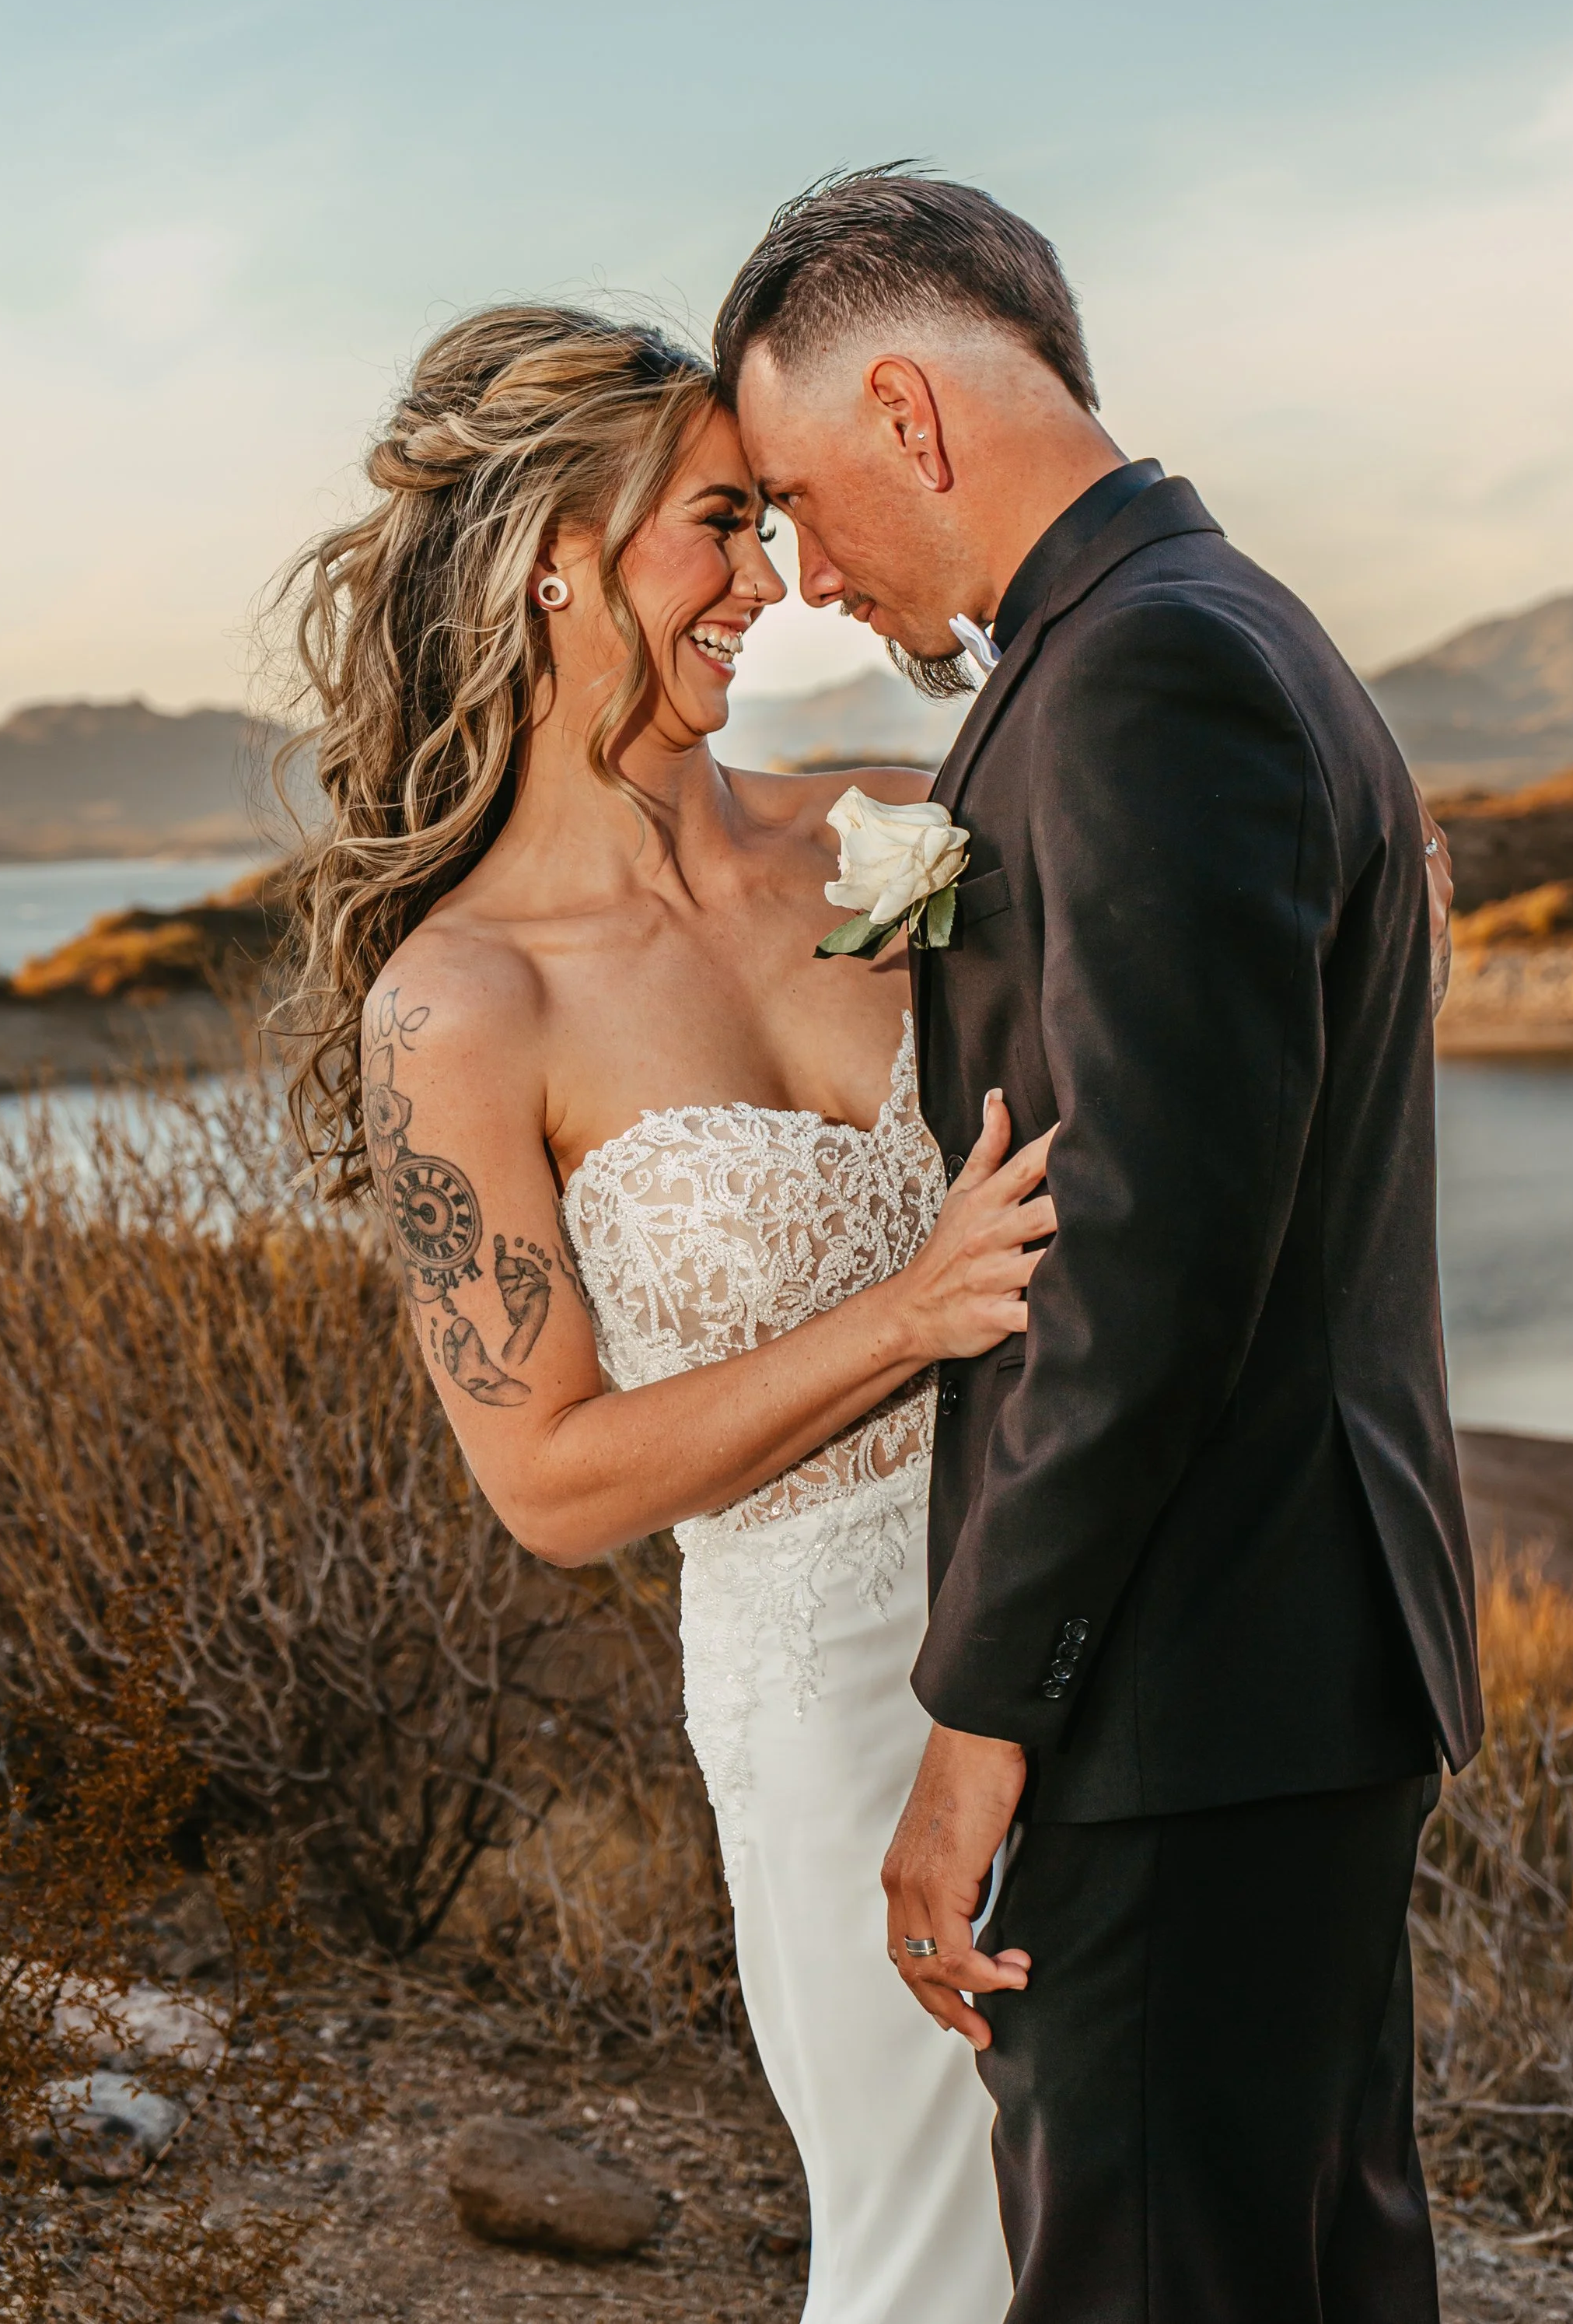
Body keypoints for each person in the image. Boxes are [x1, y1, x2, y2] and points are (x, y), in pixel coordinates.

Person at [718, 166, 1483, 2323]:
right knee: (1304, 2269)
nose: (801, 575)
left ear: (909, 411)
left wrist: (982, 1724)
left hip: (1188, 1683)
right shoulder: (1195, 628)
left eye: (799, 500)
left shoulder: (1149, 672)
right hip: (1272, 1672)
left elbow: (1146, 1264)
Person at [275, 303, 1022, 2324]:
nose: (768, 582)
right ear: (556, 556)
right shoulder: (461, 1006)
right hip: (828, 1686)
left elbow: (1133, 1009)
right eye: (719, 523)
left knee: (1126, 2218)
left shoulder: (874, 838)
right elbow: (550, 1484)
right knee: (937, 2244)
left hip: (1059, 1605)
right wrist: (912, 1315)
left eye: (766, 526)